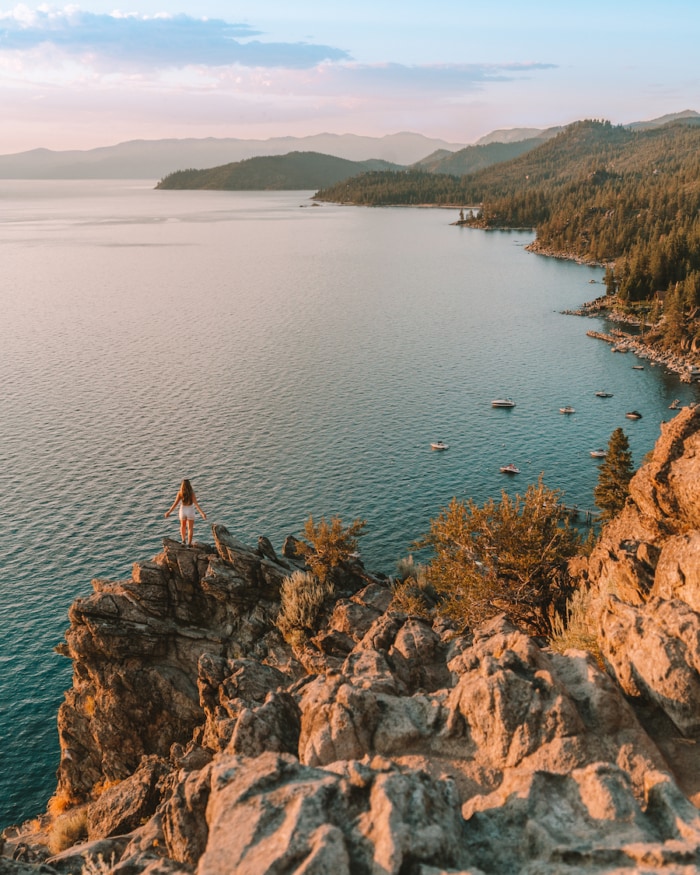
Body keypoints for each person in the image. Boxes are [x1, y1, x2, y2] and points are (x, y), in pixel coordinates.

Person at [165, 478, 206, 546]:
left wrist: (169, 512)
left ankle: (183, 541)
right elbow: (196, 504)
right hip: (190, 510)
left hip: (183, 510)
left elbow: (175, 504)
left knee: (182, 526)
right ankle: (189, 543)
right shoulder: (192, 493)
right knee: (190, 528)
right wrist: (202, 513)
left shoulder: (180, 493)